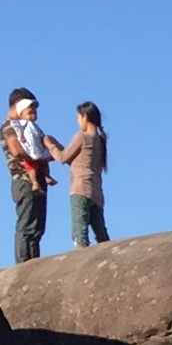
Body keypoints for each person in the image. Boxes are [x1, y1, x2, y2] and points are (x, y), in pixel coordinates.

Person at [0, 87, 63, 263]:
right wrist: (35, 157)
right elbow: (16, 150)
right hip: (24, 179)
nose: (34, 115)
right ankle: (23, 264)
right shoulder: (10, 127)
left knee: (37, 226)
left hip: (38, 179)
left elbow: (44, 147)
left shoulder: (29, 127)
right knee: (27, 224)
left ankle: (32, 262)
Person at [63, 101, 111, 246]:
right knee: (101, 234)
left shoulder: (82, 137)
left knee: (80, 235)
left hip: (80, 190)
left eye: (78, 118)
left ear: (84, 117)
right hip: (96, 193)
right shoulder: (100, 140)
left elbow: (63, 157)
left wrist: (48, 143)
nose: (78, 122)